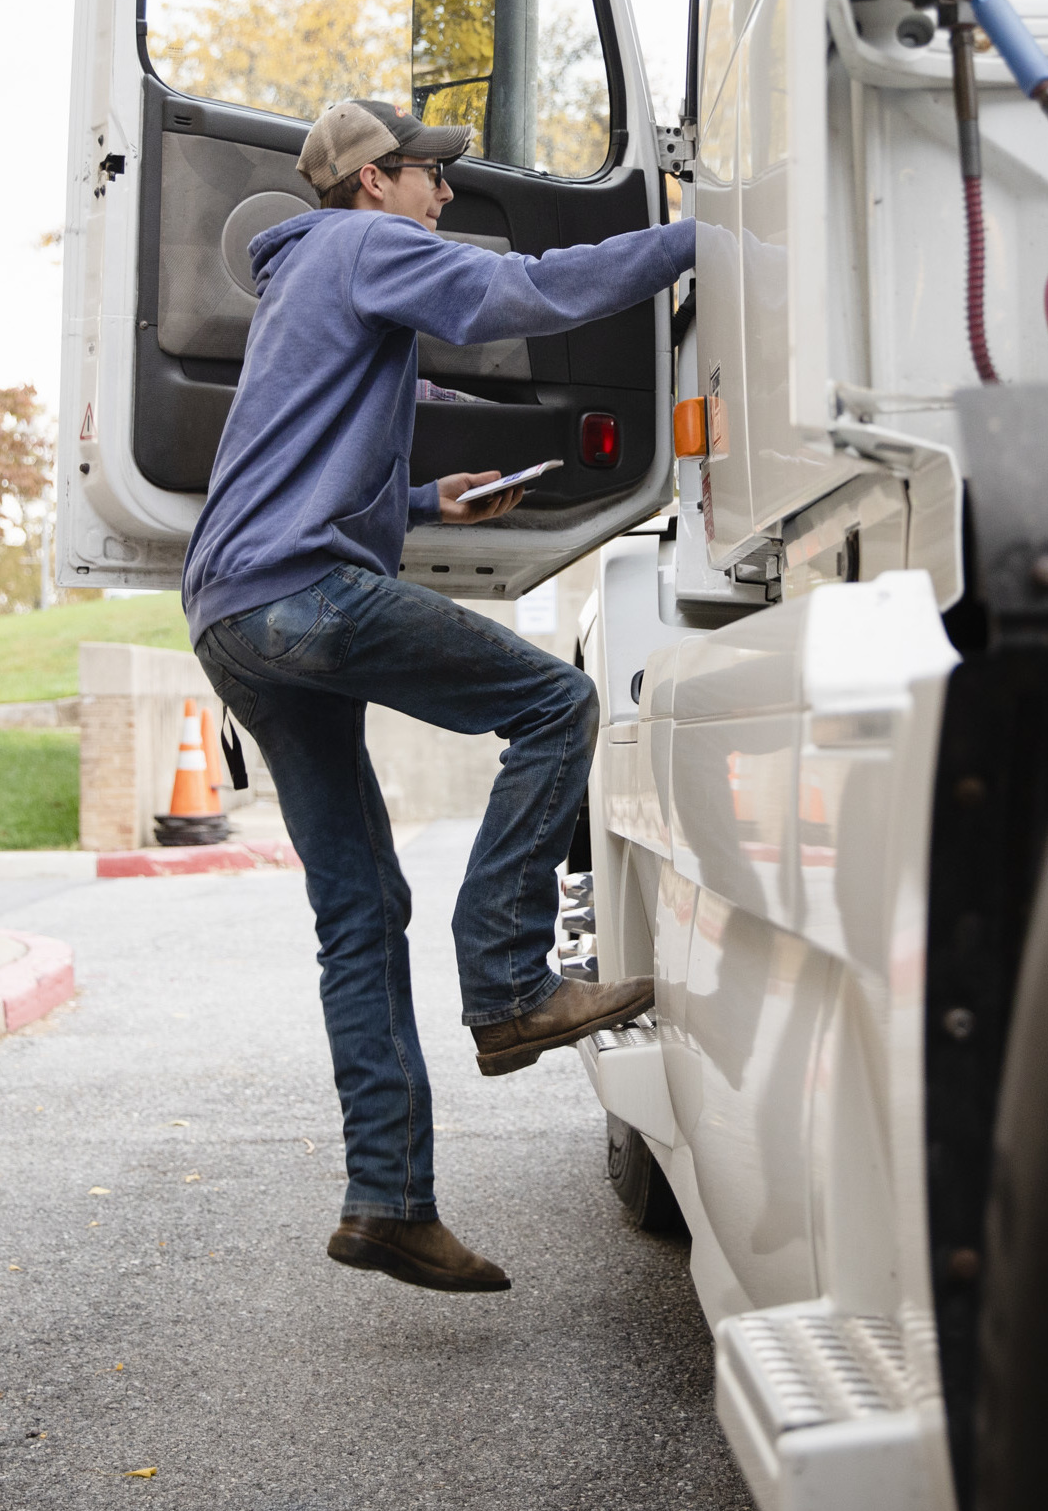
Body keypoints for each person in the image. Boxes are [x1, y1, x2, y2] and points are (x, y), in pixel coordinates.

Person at [185, 96, 695, 1295]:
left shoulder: (305, 282)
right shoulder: (368, 248)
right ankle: (512, 985)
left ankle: (388, 1203)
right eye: (430, 175)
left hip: (232, 614)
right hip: (306, 594)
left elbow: (295, 466)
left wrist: (427, 501)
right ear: (374, 183)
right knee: (556, 708)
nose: (445, 196)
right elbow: (524, 296)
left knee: (358, 912)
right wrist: (700, 237)